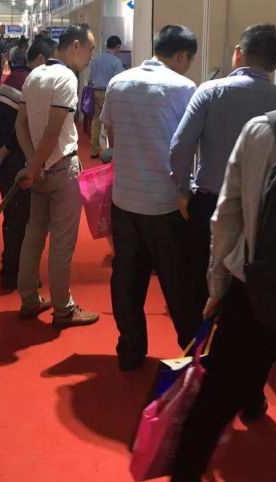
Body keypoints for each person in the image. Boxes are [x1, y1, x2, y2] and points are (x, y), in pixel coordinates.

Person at [170, 47, 276, 482]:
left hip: (255, 294)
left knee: (212, 408)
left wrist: (217, 289)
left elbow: (227, 217)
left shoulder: (264, 129)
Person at [170, 24, 276, 420]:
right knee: (248, 307)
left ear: (238, 54)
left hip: (208, 205)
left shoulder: (210, 92)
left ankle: (197, 374)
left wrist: (181, 190)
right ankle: (250, 395)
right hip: (261, 219)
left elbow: (179, 147)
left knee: (200, 293)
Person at [101, 25, 200, 371]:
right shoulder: (184, 87)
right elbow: (190, 144)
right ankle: (191, 356)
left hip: (125, 198)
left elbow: (111, 135)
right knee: (179, 284)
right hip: (166, 202)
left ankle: (130, 350)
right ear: (182, 55)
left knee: (127, 279)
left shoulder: (119, 82)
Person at [14, 23, 99, 328]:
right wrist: (35, 165)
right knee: (62, 244)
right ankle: (63, 309)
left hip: (40, 171)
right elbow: (53, 132)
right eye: (90, 48)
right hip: (62, 168)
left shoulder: (35, 74)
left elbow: (21, 124)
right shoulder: (66, 78)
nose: (91, 56)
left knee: (34, 236)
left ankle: (29, 297)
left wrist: (32, 163)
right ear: (75, 46)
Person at [0, 37, 58, 291]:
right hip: (16, 158)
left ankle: (13, 269)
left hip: (3, 158)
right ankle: (13, 273)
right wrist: (4, 150)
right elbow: (23, 128)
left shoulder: (12, 79)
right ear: (40, 60)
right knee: (22, 219)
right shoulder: (32, 85)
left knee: (12, 215)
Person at [88, 35, 124, 159]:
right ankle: (111, 151)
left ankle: (94, 150)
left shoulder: (95, 60)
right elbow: (119, 82)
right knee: (111, 122)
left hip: (95, 92)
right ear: (117, 47)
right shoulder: (116, 62)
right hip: (109, 93)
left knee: (96, 121)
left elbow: (90, 78)